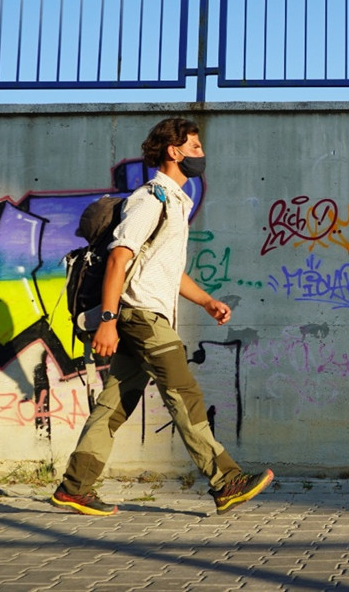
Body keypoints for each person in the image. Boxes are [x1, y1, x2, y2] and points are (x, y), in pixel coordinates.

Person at [51, 117, 272, 516]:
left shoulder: (174, 201)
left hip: (144, 313)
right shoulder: (152, 199)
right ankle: (225, 480)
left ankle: (74, 487)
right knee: (183, 393)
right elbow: (120, 257)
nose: (202, 154)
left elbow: (163, 268)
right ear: (175, 152)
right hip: (139, 315)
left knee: (113, 406)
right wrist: (108, 318)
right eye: (196, 147)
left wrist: (205, 301)